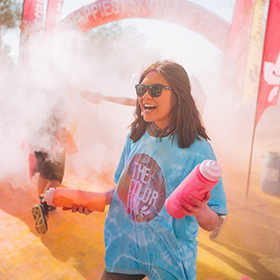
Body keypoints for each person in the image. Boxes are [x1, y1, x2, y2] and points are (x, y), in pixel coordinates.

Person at [65, 60, 227, 279]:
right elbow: (124, 189)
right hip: (126, 247)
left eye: (156, 90)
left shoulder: (198, 150)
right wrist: (93, 200)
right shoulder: (136, 136)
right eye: (142, 90)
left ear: (178, 96)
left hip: (169, 257)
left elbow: (214, 222)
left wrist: (201, 211)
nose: (145, 96)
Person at [19, 20, 78, 234]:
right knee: (56, 176)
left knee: (44, 170)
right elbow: (64, 110)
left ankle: (42, 202)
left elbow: (27, 63)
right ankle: (44, 206)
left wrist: (26, 38)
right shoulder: (60, 81)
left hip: (36, 129)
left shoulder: (37, 78)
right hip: (54, 132)